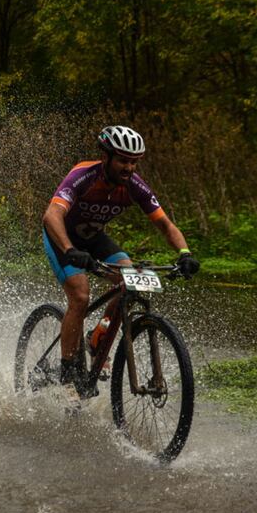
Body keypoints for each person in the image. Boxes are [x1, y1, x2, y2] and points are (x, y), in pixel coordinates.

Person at [41, 125, 200, 401]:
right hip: (62, 238)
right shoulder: (84, 176)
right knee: (80, 296)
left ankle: (97, 338)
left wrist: (184, 253)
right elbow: (51, 216)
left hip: (94, 238)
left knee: (130, 278)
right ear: (107, 157)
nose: (129, 167)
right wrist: (68, 249)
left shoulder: (135, 186)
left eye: (134, 162)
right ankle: (67, 372)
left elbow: (164, 224)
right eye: (123, 160)